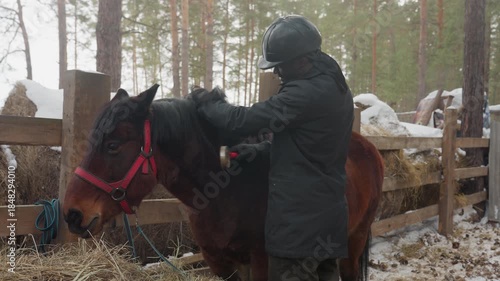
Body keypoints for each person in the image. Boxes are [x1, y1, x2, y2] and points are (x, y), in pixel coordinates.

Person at [192, 15, 353, 281]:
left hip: (298, 230)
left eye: (280, 65)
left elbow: (241, 121)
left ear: (302, 60)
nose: (276, 72)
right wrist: (257, 151)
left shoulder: (306, 93)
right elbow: (307, 147)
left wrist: (207, 102)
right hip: (327, 225)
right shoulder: (334, 85)